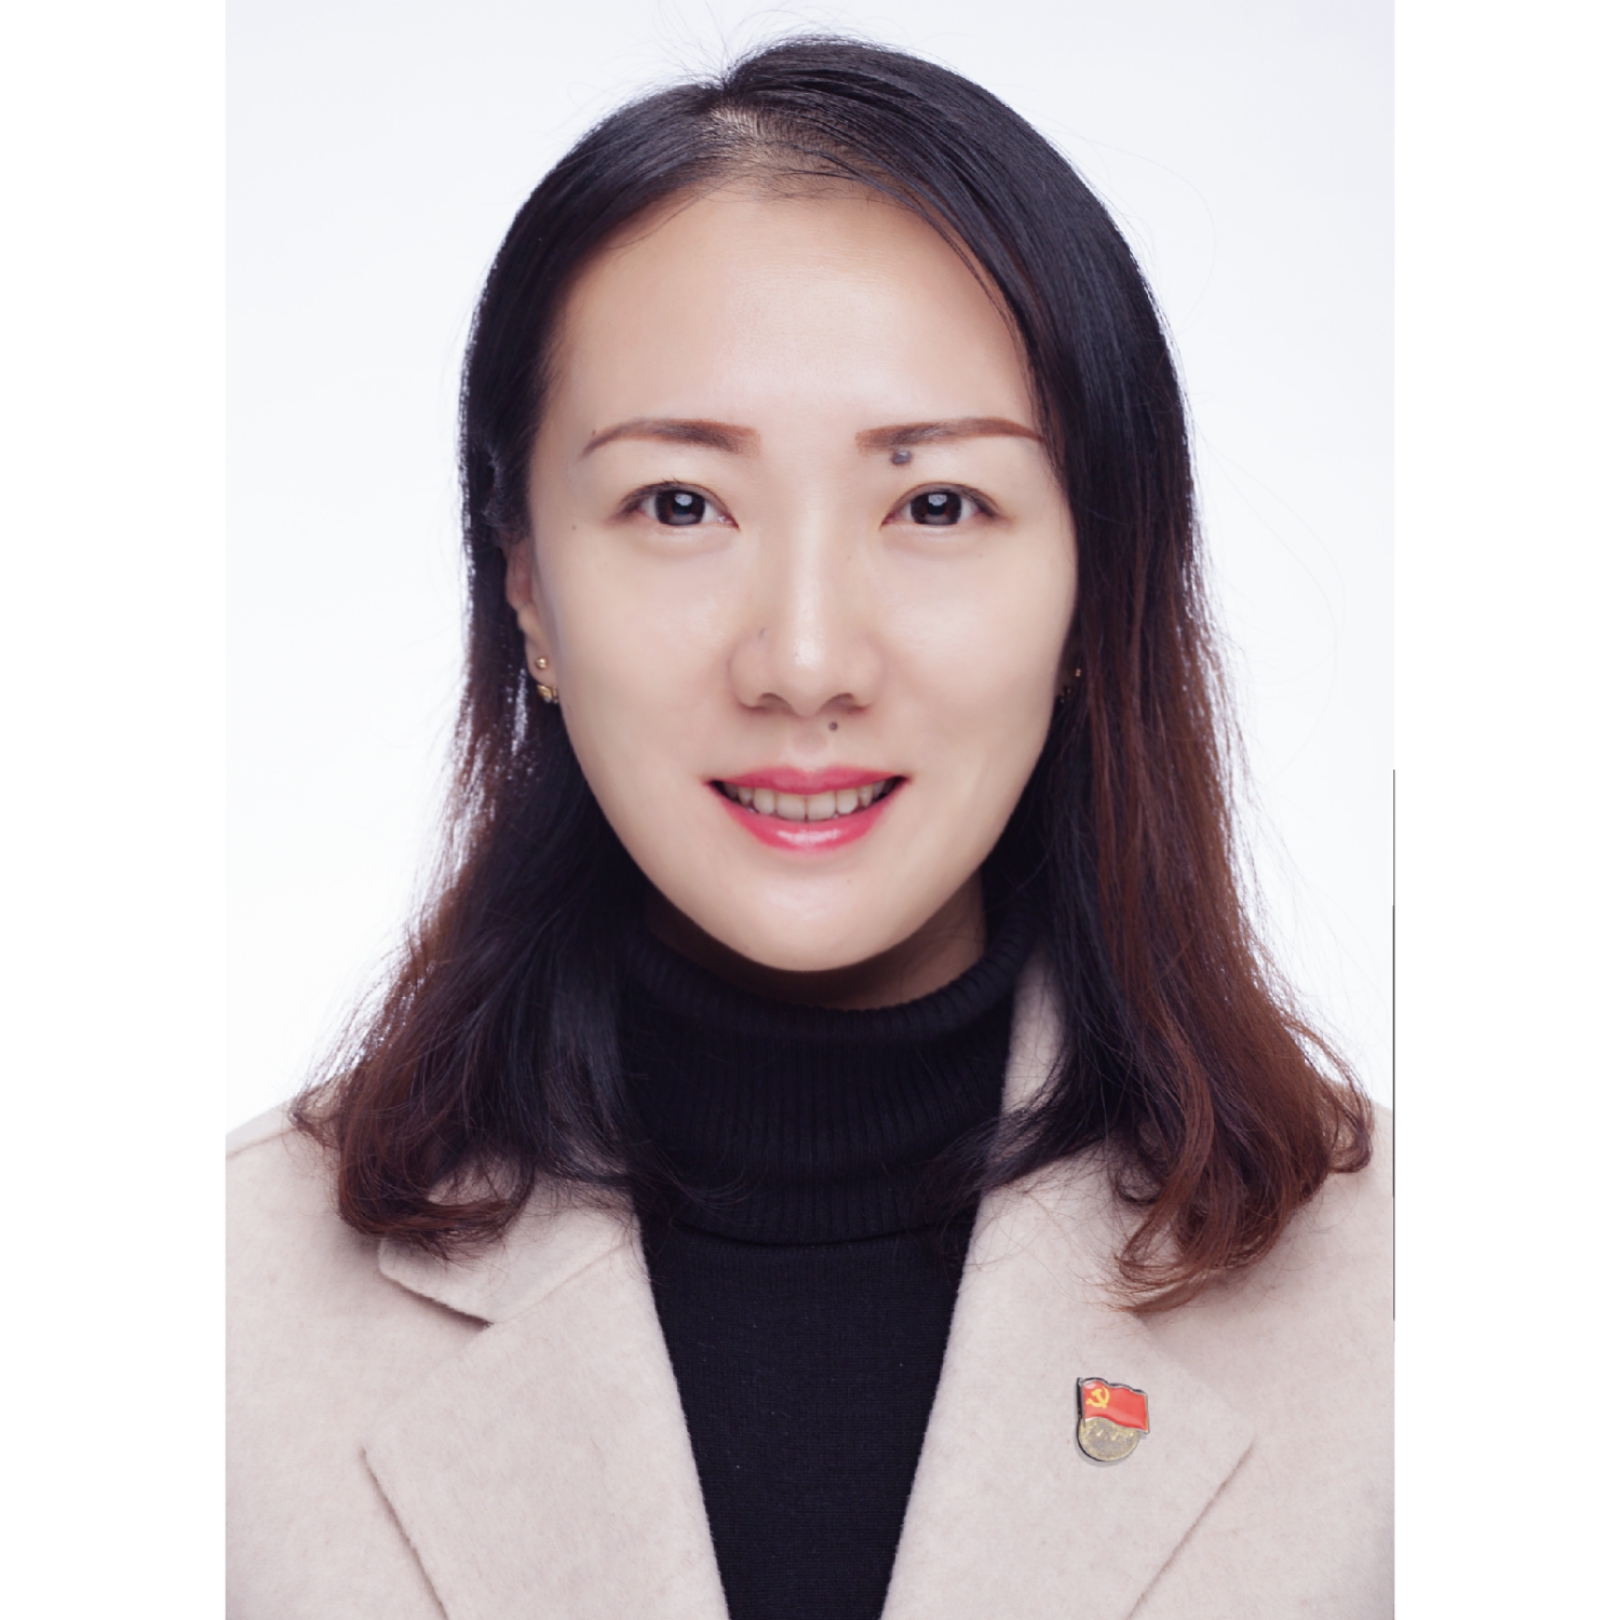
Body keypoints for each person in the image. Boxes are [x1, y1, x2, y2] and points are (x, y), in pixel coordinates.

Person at [228, 36, 1390, 1620]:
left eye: (936, 506)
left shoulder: (1424, 1327)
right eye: (679, 505)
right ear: (527, 590)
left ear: (1094, 588)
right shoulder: (202, 1329)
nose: (805, 660)